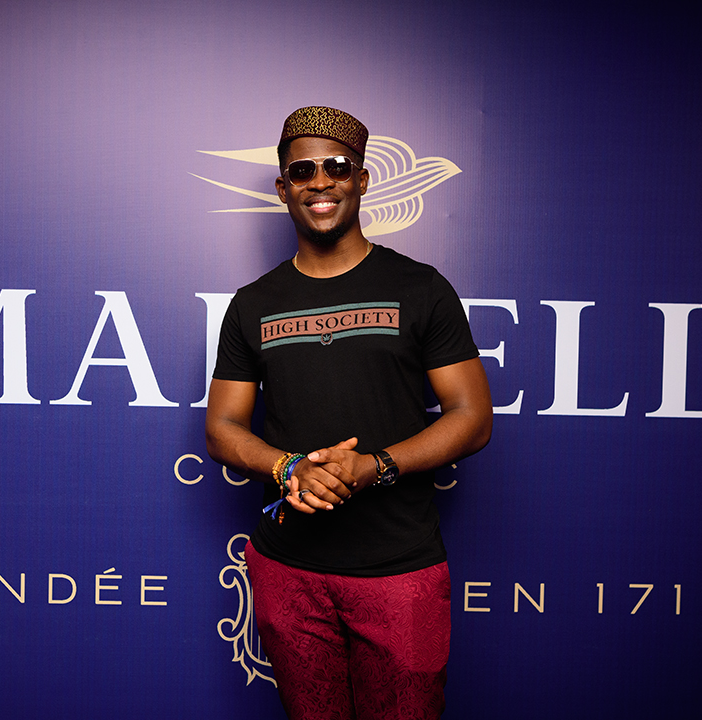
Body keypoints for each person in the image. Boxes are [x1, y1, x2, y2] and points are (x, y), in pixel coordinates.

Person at [205, 106, 492, 719]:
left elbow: (471, 416)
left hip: (400, 571)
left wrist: (374, 466)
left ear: (361, 179)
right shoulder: (253, 304)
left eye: (337, 167)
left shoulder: (421, 288)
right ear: (283, 188)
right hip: (288, 568)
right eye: (302, 171)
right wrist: (289, 468)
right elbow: (223, 428)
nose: (320, 181)